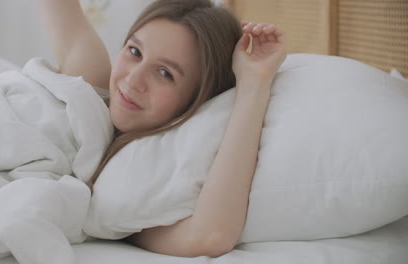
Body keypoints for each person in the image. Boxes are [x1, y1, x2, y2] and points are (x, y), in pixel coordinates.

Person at [38, 0, 286, 258]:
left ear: (198, 100)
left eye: (165, 73)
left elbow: (209, 236)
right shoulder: (92, 85)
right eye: (135, 52)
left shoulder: (131, 196)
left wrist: (254, 83)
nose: (133, 80)